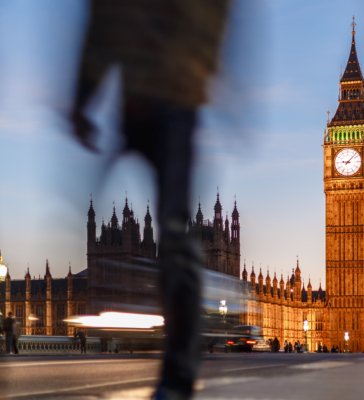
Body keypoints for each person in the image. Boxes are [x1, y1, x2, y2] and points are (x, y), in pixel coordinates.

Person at [71, 2, 231, 399]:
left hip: (173, 100)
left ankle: (179, 362)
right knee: (169, 230)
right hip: (141, 101)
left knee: (175, 234)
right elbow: (102, 24)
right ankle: (176, 353)